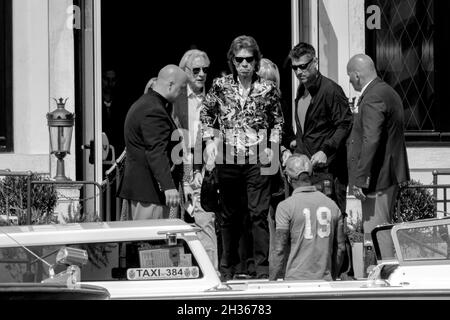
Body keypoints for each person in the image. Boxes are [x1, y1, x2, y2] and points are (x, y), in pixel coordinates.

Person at [200, 35, 284, 280]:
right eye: (240, 59)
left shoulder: (268, 89)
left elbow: (278, 122)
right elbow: (206, 114)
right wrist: (209, 143)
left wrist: (273, 146)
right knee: (229, 214)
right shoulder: (220, 85)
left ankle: (261, 268)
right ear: (233, 61)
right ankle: (228, 267)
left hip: (257, 157)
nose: (245, 64)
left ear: (256, 61)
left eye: (249, 59)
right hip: (228, 156)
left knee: (258, 213)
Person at [287, 42, 353, 278]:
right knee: (311, 224)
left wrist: (326, 149)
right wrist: (297, 141)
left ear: (315, 62)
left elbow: (345, 123)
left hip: (329, 170)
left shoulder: (330, 90)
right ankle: (316, 271)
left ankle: (340, 273)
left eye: (304, 66)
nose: (299, 72)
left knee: (332, 223)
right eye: (295, 68)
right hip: (308, 169)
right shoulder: (301, 90)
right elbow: (308, 127)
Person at [346, 54, 410, 259]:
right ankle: (384, 272)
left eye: (349, 76)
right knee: (380, 230)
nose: (349, 81)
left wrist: (361, 178)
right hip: (386, 175)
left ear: (356, 75)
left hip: (378, 178)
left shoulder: (373, 96)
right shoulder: (387, 91)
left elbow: (371, 139)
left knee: (377, 232)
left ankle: (384, 277)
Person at [118, 65, 188, 220]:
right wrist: (168, 186)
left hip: (144, 191)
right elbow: (156, 150)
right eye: (182, 88)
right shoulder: (154, 110)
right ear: (170, 84)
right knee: (151, 241)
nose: (183, 93)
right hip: (148, 193)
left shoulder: (147, 104)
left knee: (143, 240)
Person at [173, 49, 218, 271]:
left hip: (206, 165)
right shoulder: (176, 97)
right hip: (182, 163)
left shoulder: (215, 96)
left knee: (205, 217)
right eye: (196, 70)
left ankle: (210, 270)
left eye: (205, 70)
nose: (201, 74)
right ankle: (183, 268)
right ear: (185, 71)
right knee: (179, 218)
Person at [270, 154, 345, 281]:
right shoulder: (332, 205)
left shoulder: (285, 207)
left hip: (295, 282)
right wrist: (332, 276)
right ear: (311, 176)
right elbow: (341, 248)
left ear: (288, 178)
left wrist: (272, 281)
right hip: (324, 282)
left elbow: (279, 249)